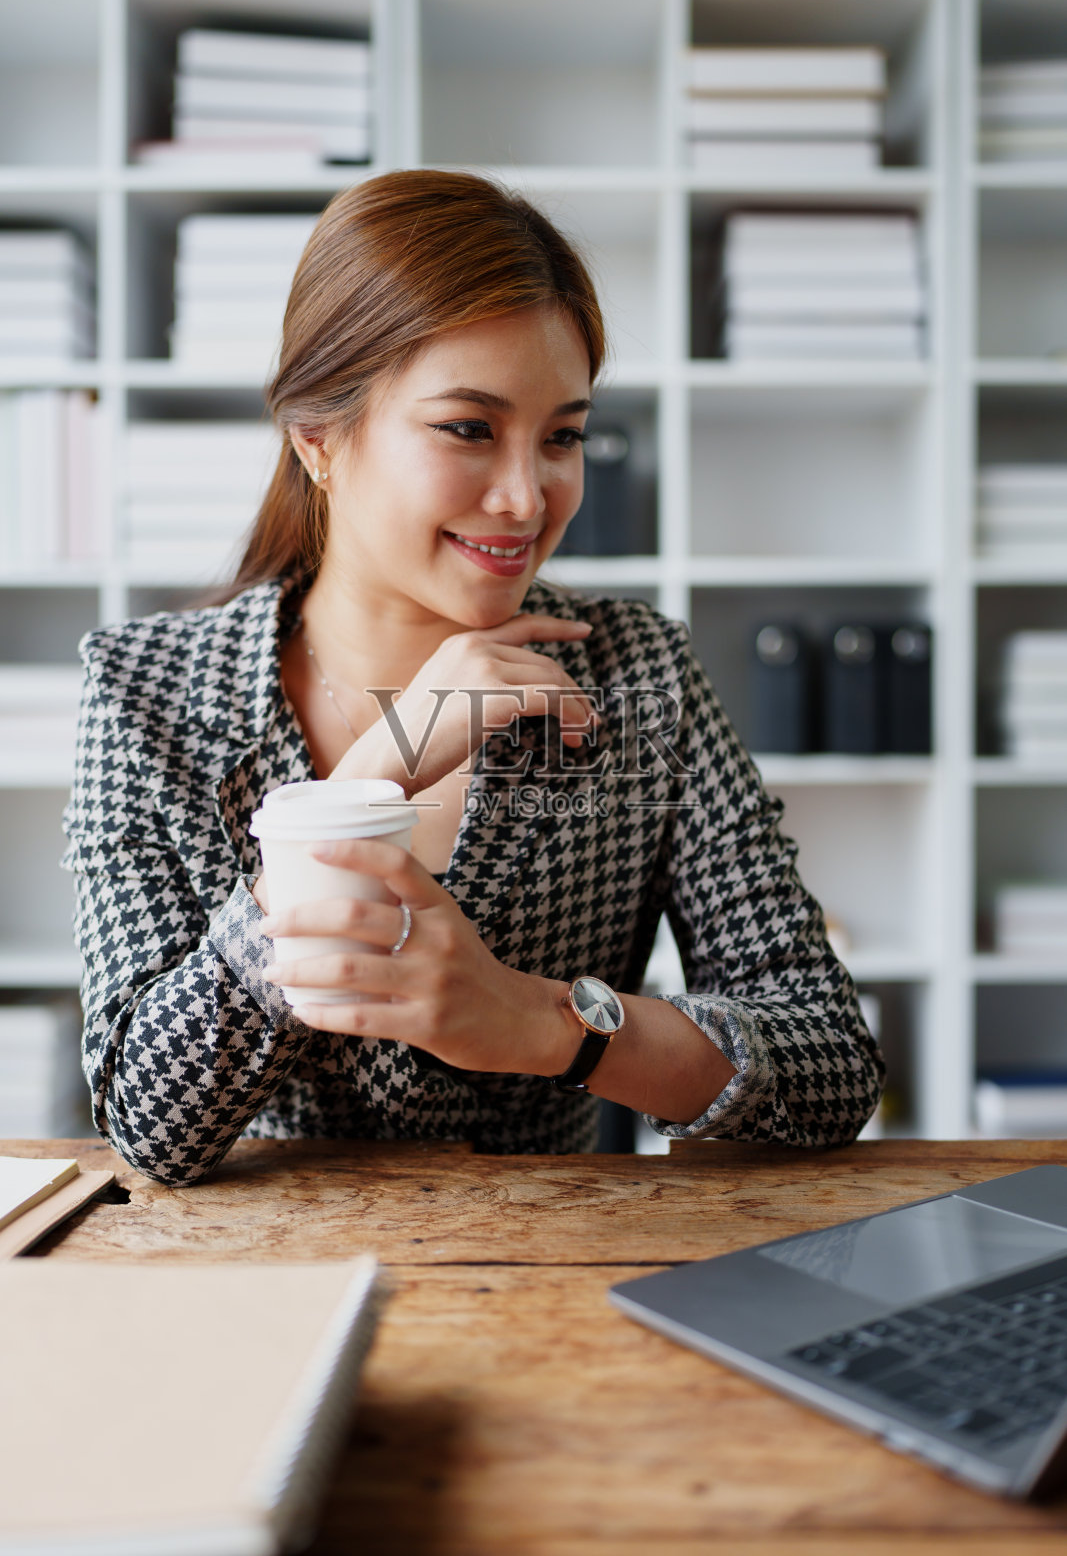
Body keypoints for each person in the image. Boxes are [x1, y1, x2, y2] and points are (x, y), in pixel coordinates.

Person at [62, 170, 883, 1187]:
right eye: (467, 428)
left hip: (557, 1259)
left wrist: (542, 1025)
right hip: (263, 1266)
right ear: (317, 438)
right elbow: (148, 1121)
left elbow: (829, 1065)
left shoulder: (633, 674)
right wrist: (373, 775)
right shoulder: (146, 691)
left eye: (563, 436)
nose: (526, 497)